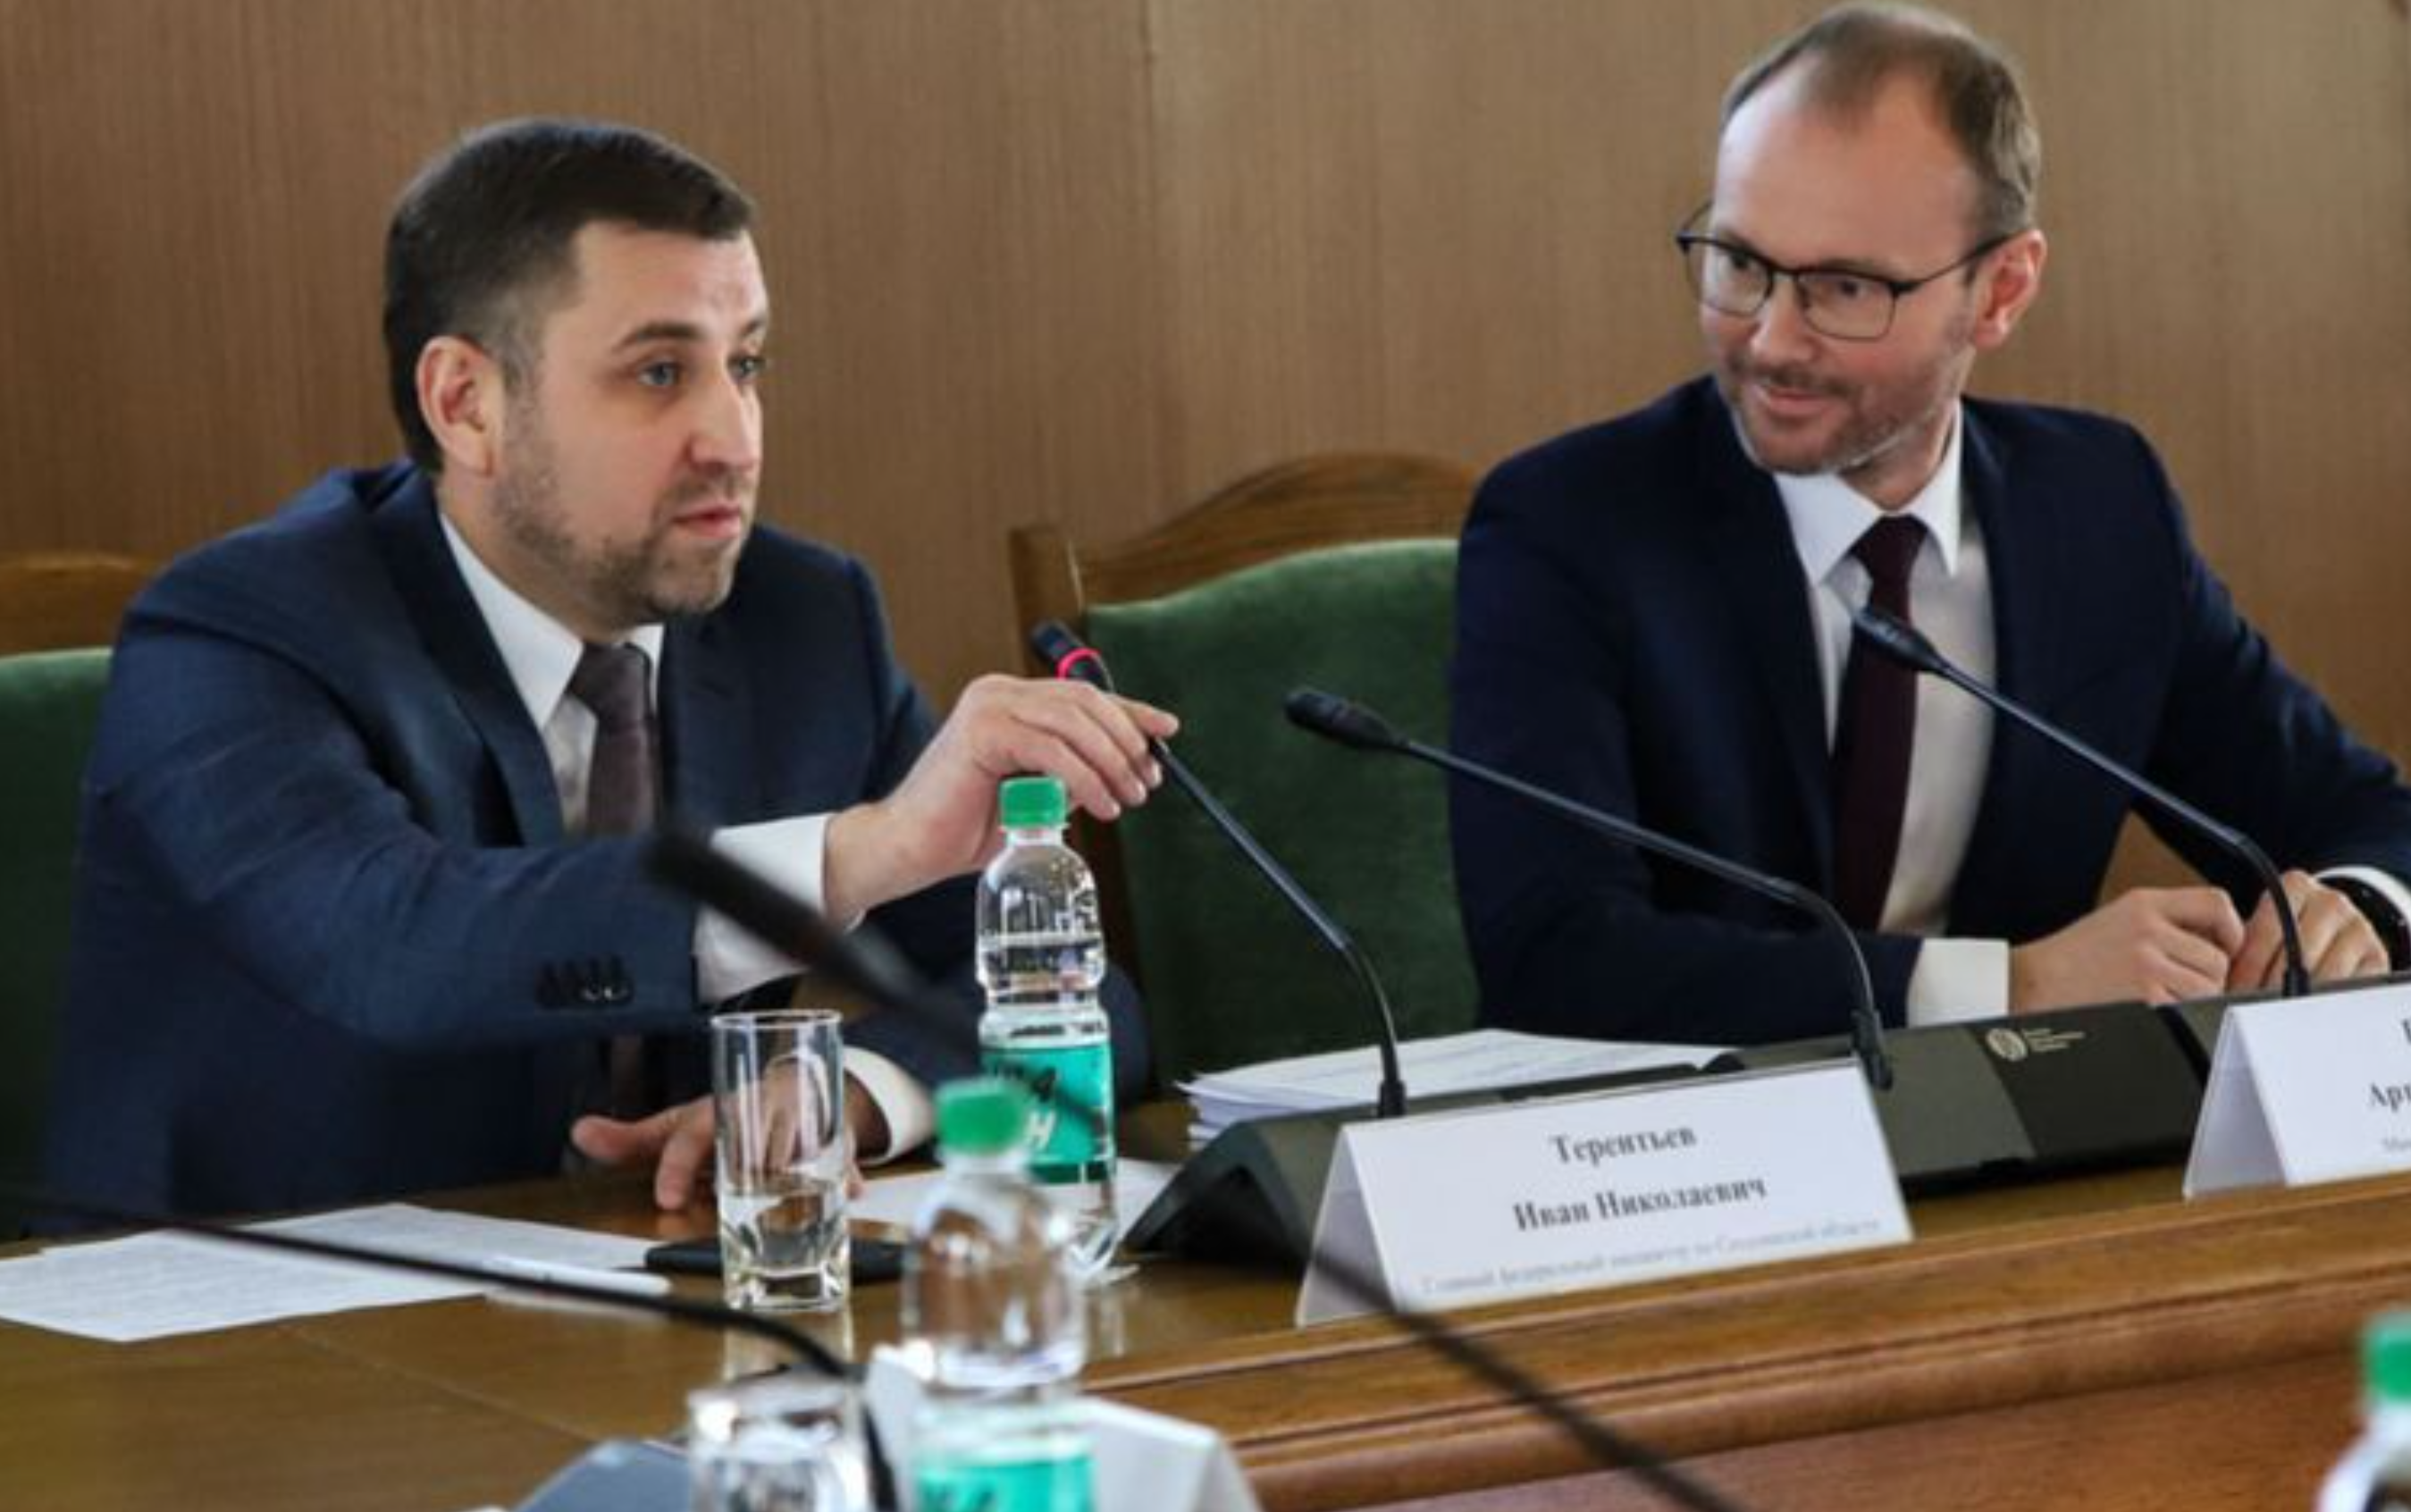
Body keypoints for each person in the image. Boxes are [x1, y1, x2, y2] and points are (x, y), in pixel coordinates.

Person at [42, 119, 1174, 1222]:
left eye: (746, 364)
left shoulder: (804, 620)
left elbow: (1076, 1005)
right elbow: (389, 945)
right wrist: (853, 855)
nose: (734, 437)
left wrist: (856, 1095)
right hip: (248, 1337)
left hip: (661, 1313)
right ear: (466, 404)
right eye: (658, 374)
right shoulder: (239, 628)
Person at [1450, 4, 2411, 1047]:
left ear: (2000, 291)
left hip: (2033, 1179)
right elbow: (1553, 958)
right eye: (1738, 262)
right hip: (1692, 1166)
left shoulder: (2099, 507)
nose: (1770, 339)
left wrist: (2352, 906)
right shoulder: (1570, 525)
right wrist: (2010, 986)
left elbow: (2363, 815)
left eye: (1844, 288)